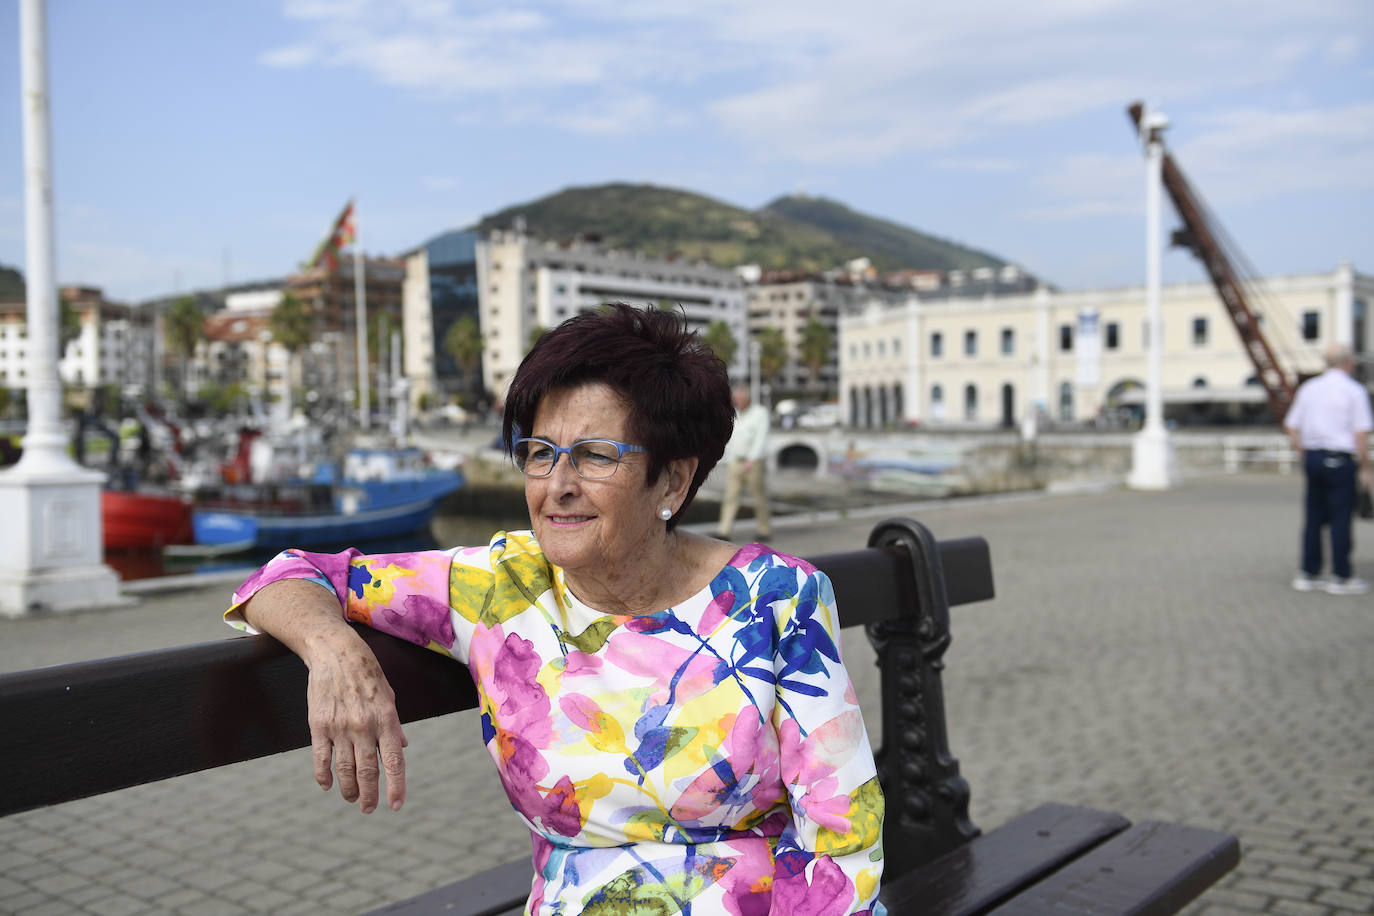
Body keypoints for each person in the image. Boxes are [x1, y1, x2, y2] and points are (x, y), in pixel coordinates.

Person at [225, 303, 886, 915]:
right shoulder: (499, 584)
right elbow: (285, 575)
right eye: (540, 454)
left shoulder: (778, 597)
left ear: (673, 480)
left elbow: (844, 835)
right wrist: (334, 652)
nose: (558, 486)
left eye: (595, 456)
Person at [1283, 343, 1373, 595]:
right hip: (1340, 460)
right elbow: (1360, 434)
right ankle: (1340, 576)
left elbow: (1291, 426)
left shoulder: (1309, 389)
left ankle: (1308, 573)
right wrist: (1365, 468)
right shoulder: (1354, 391)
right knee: (1341, 518)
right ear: (1349, 362)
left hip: (1314, 458)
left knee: (1313, 517)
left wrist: (1304, 453)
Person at [715, 384, 773, 542]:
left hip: (753, 463)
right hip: (736, 461)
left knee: (759, 497)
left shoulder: (760, 413)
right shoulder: (735, 414)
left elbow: (761, 438)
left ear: (747, 399)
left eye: (740, 398)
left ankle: (764, 529)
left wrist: (752, 458)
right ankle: (724, 530)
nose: (738, 401)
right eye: (736, 399)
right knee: (730, 496)